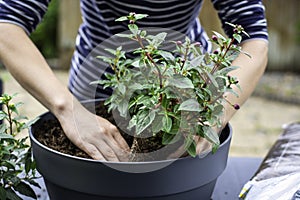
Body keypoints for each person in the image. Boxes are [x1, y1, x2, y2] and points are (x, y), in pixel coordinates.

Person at [0, 0, 268, 161]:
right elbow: (6, 24)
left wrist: (214, 111)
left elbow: (254, 40)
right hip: (96, 88)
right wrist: (68, 109)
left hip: (184, 88)